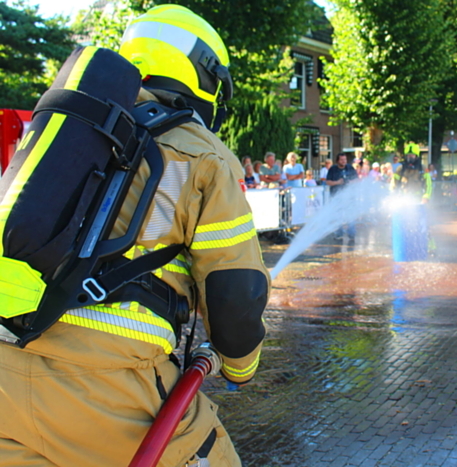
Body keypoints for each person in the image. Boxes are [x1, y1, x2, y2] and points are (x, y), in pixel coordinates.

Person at [0, 5, 269, 467]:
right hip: (110, 387)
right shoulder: (201, 154)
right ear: (203, 73)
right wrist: (241, 367)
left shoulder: (76, 126)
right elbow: (236, 293)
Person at [326, 152, 359, 240]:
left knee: (351, 215)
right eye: (342, 160)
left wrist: (350, 182)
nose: (344, 161)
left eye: (345, 159)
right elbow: (328, 182)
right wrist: (337, 182)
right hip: (336, 198)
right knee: (338, 216)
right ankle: (339, 234)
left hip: (350, 197)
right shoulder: (332, 169)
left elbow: (357, 179)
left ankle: (351, 234)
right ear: (337, 161)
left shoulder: (350, 168)